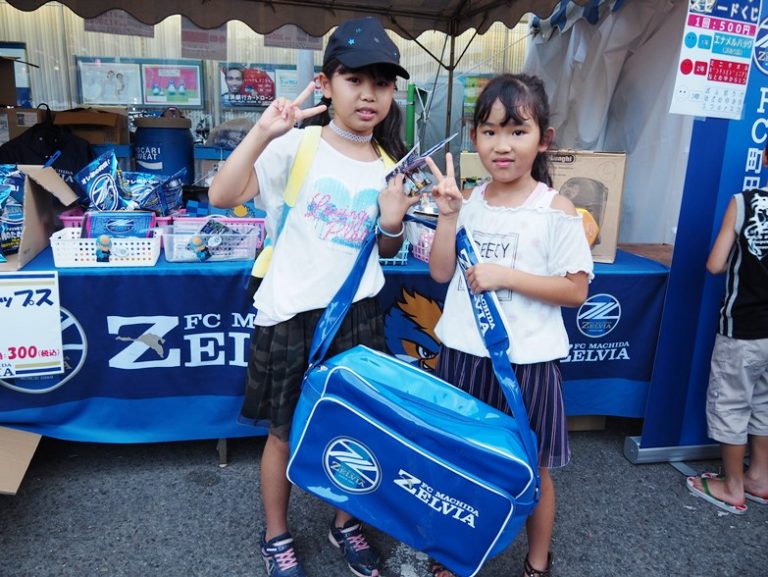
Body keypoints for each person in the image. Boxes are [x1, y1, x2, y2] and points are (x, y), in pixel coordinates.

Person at [208, 16, 418, 577]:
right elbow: (221, 194)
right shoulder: (295, 146)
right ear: (325, 84)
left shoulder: (391, 166)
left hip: (359, 317)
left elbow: (387, 247)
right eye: (355, 79)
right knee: (282, 433)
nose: (368, 94)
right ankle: (276, 534)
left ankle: (345, 522)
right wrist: (262, 132)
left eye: (382, 83)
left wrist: (393, 221)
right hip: (292, 315)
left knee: (356, 428)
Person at [424, 73, 594, 577]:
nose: (502, 145)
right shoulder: (469, 201)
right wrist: (448, 217)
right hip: (462, 358)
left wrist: (506, 277)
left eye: (518, 131)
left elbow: (576, 290)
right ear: (474, 137)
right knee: (460, 463)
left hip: (528, 366)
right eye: (490, 131)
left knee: (533, 470)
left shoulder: (556, 210)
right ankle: (456, 554)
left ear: (544, 139)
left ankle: (537, 561)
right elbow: (440, 272)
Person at [686, 142, 768, 514]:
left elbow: (715, 264)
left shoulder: (744, 202)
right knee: (764, 403)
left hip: (744, 327)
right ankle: (760, 477)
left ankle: (733, 486)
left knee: (732, 403)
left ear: (765, 157)